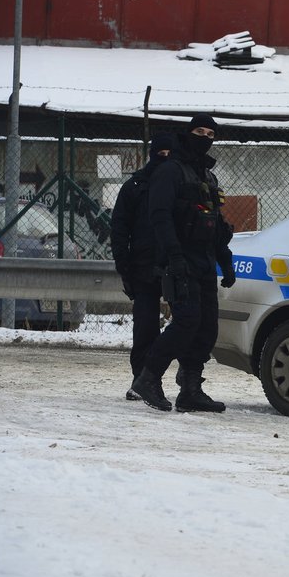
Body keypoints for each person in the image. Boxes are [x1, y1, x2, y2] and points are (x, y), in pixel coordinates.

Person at [130, 114, 236, 412]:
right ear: (188, 133)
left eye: (210, 133)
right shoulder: (171, 171)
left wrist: (225, 262)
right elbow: (159, 217)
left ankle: (190, 389)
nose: (205, 137)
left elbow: (215, 223)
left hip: (204, 261)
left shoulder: (206, 176)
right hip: (180, 260)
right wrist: (173, 256)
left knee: (207, 328)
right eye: (199, 131)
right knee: (187, 322)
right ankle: (148, 377)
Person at [110, 131, 172, 401]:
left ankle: (180, 380)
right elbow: (119, 228)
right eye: (162, 153)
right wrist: (125, 267)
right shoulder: (135, 186)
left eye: (170, 154)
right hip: (144, 266)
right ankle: (142, 380)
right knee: (145, 327)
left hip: (173, 264)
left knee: (186, 326)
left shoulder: (177, 184)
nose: (165, 158)